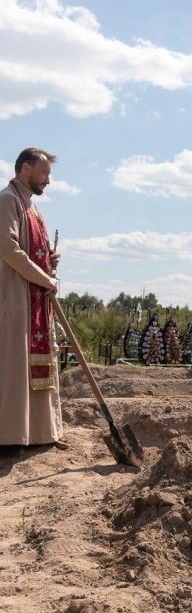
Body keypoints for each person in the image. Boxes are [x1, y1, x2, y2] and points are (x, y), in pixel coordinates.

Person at [0, 148, 64, 452]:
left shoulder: (33, 209)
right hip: (14, 300)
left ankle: (38, 432)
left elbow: (33, 252)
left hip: (34, 301)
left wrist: (50, 261)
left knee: (34, 366)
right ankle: (10, 436)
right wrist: (45, 277)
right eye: (44, 173)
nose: (48, 181)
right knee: (14, 367)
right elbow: (10, 251)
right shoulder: (7, 201)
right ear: (25, 169)